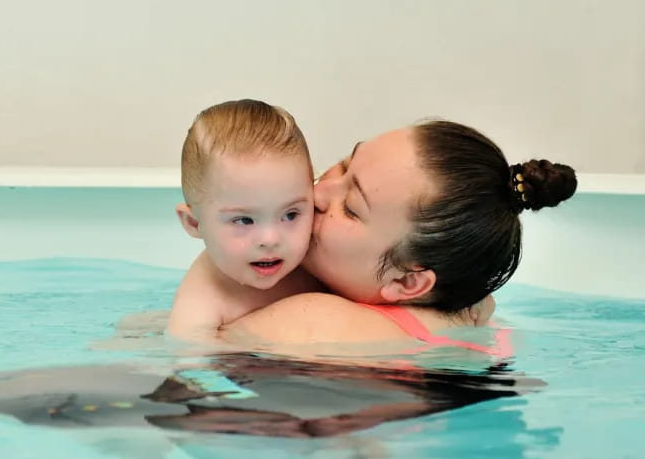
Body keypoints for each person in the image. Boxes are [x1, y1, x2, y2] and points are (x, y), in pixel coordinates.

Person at [218, 119, 576, 351]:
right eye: (344, 165)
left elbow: (190, 377)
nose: (319, 192)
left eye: (352, 208)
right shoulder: (469, 317)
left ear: (408, 282)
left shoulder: (312, 323)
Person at [167, 99, 321, 339]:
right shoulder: (200, 305)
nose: (270, 239)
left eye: (290, 215)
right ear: (194, 223)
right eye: (244, 221)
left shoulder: (319, 255)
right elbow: (191, 369)